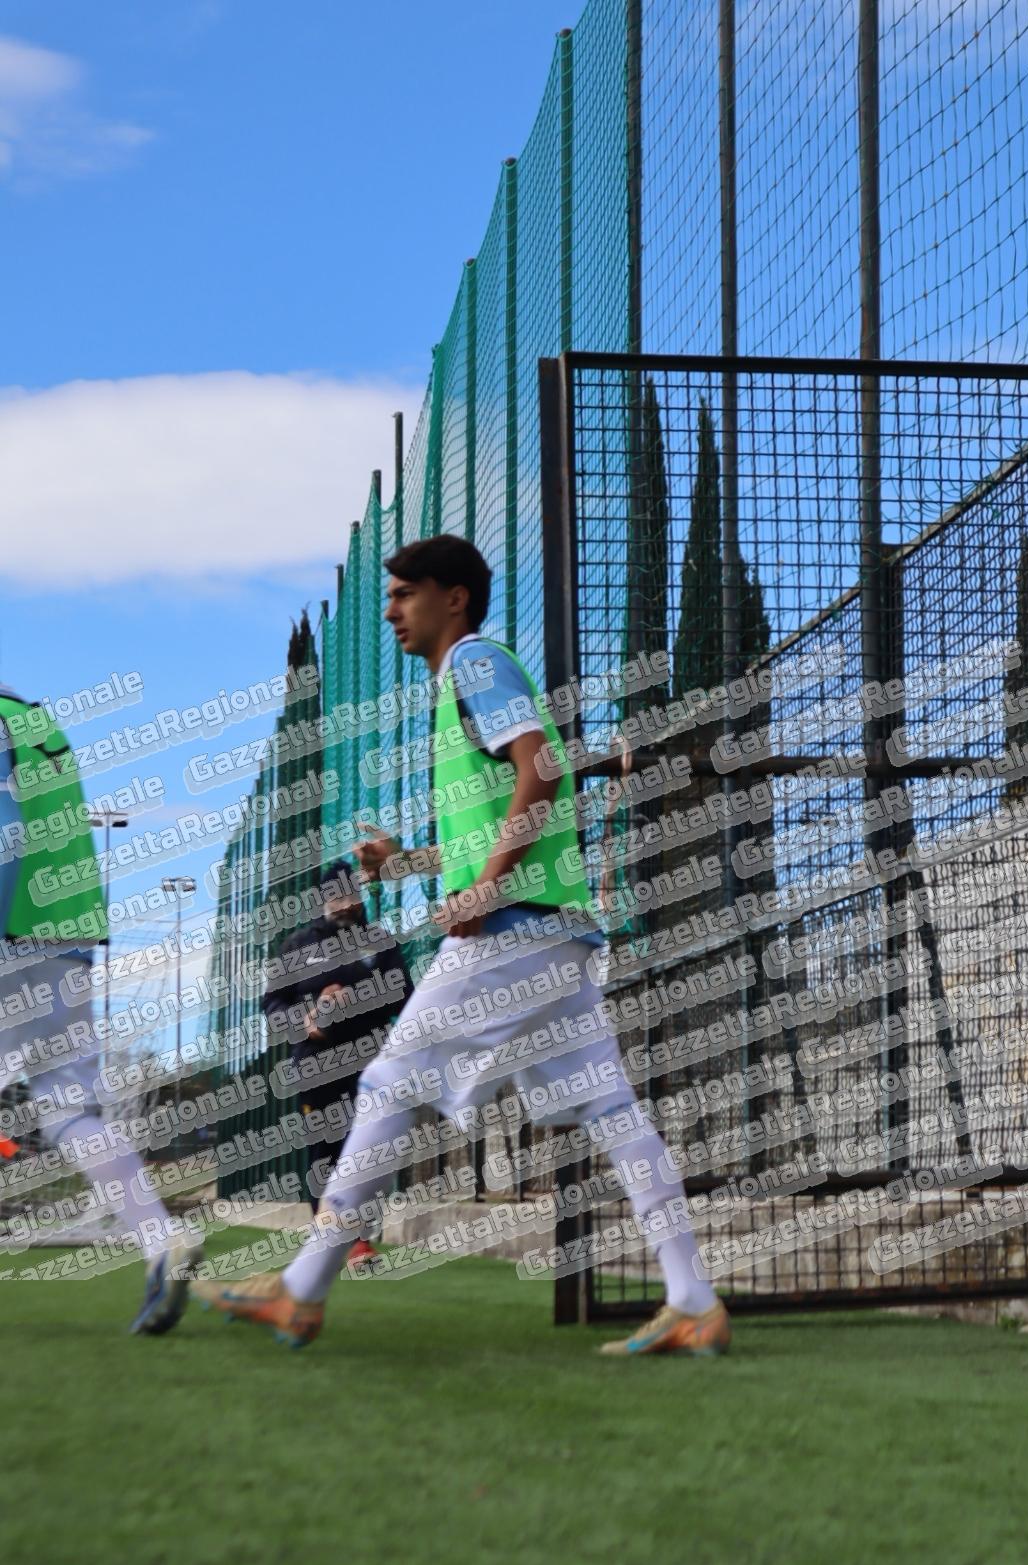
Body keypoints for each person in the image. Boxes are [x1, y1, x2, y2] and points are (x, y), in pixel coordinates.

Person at [196, 534, 729, 1357]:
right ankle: (693, 1300)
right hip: (554, 934)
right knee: (612, 1111)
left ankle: (302, 1288)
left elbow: (542, 769)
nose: (390, 610)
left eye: (404, 593)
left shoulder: (476, 664)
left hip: (515, 932)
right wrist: (407, 862)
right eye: (389, 595)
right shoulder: (462, 685)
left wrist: (486, 889)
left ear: (454, 598)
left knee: (387, 1082)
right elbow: (502, 813)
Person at [0, 683, 202, 1333]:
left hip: (11, 930)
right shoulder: (40, 725)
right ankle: (160, 1238)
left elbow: (7, 832)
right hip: (68, 940)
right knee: (68, 1109)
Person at [261, 858, 410, 1267]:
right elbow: (272, 1004)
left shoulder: (379, 942)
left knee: (364, 1151)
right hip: (316, 1065)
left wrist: (354, 999)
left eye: (351, 894)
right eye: (337, 896)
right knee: (323, 1151)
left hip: (370, 1063)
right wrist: (306, 1019)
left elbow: (404, 997)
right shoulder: (296, 946)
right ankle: (325, 1240)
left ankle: (360, 1241)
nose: (345, 903)